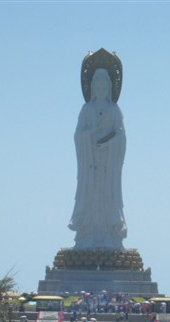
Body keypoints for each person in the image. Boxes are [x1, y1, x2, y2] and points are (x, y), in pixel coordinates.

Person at [68, 66, 127, 249]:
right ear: (93, 88)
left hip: (109, 164)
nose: (101, 90)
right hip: (90, 163)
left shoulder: (114, 110)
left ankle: (111, 236)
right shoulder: (86, 109)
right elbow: (77, 135)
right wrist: (89, 135)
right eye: (98, 87)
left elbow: (122, 137)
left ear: (109, 88)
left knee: (109, 197)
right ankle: (87, 236)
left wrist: (110, 143)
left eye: (104, 87)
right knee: (89, 197)